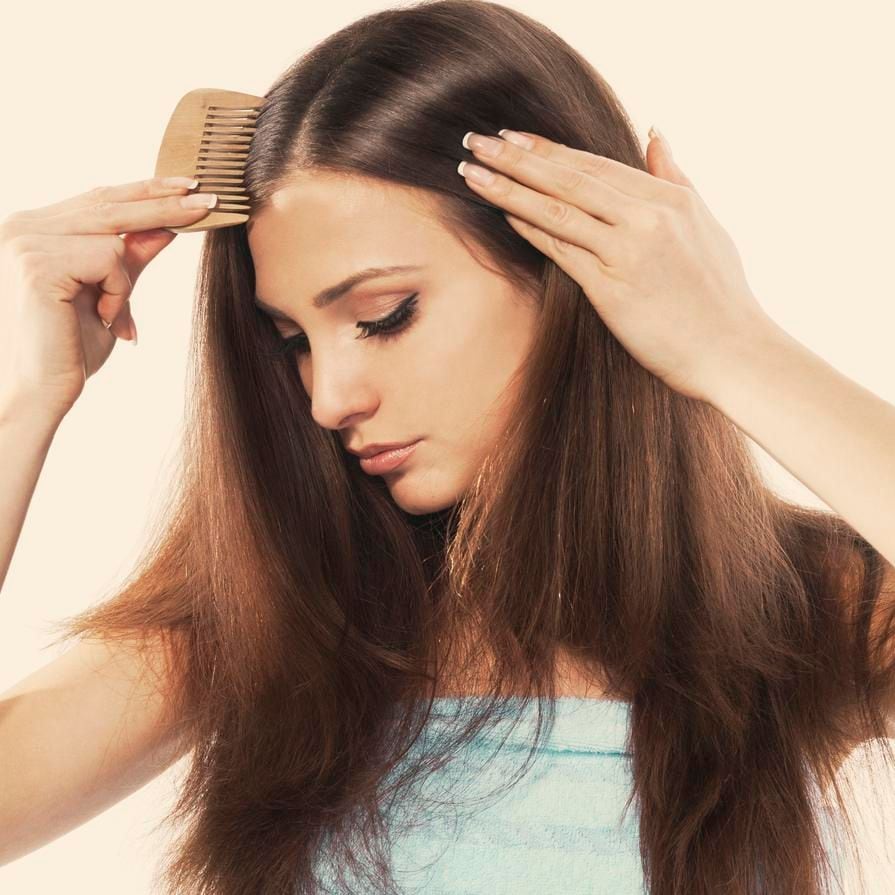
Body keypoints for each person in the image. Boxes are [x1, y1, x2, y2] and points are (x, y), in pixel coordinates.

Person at [2, 1, 895, 892]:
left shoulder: (810, 611)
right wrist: (20, 402)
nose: (327, 398)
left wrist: (735, 347)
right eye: (294, 342)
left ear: (566, 272)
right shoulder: (268, 619)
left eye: (383, 316)